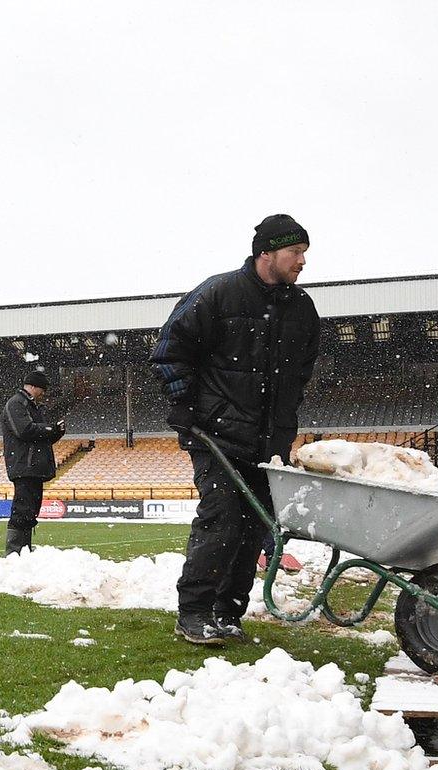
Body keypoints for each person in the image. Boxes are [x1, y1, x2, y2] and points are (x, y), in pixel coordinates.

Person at [151, 213, 320, 645]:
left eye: (304, 253)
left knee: (253, 528)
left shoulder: (301, 308)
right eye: (294, 252)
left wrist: (286, 414)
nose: (302, 261)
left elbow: (302, 369)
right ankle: (193, 611)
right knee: (221, 519)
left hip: (270, 441)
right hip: (217, 433)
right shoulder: (218, 294)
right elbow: (170, 348)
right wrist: (186, 404)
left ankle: (227, 612)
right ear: (267, 252)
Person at [0, 364, 65, 554]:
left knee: (30, 510)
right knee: (23, 509)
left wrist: (55, 433)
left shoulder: (29, 406)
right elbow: (25, 430)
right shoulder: (16, 404)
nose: (43, 394)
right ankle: (15, 551)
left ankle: (23, 549)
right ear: (35, 387)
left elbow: (38, 435)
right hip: (24, 466)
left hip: (33, 467)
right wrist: (49, 429)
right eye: (42, 390)